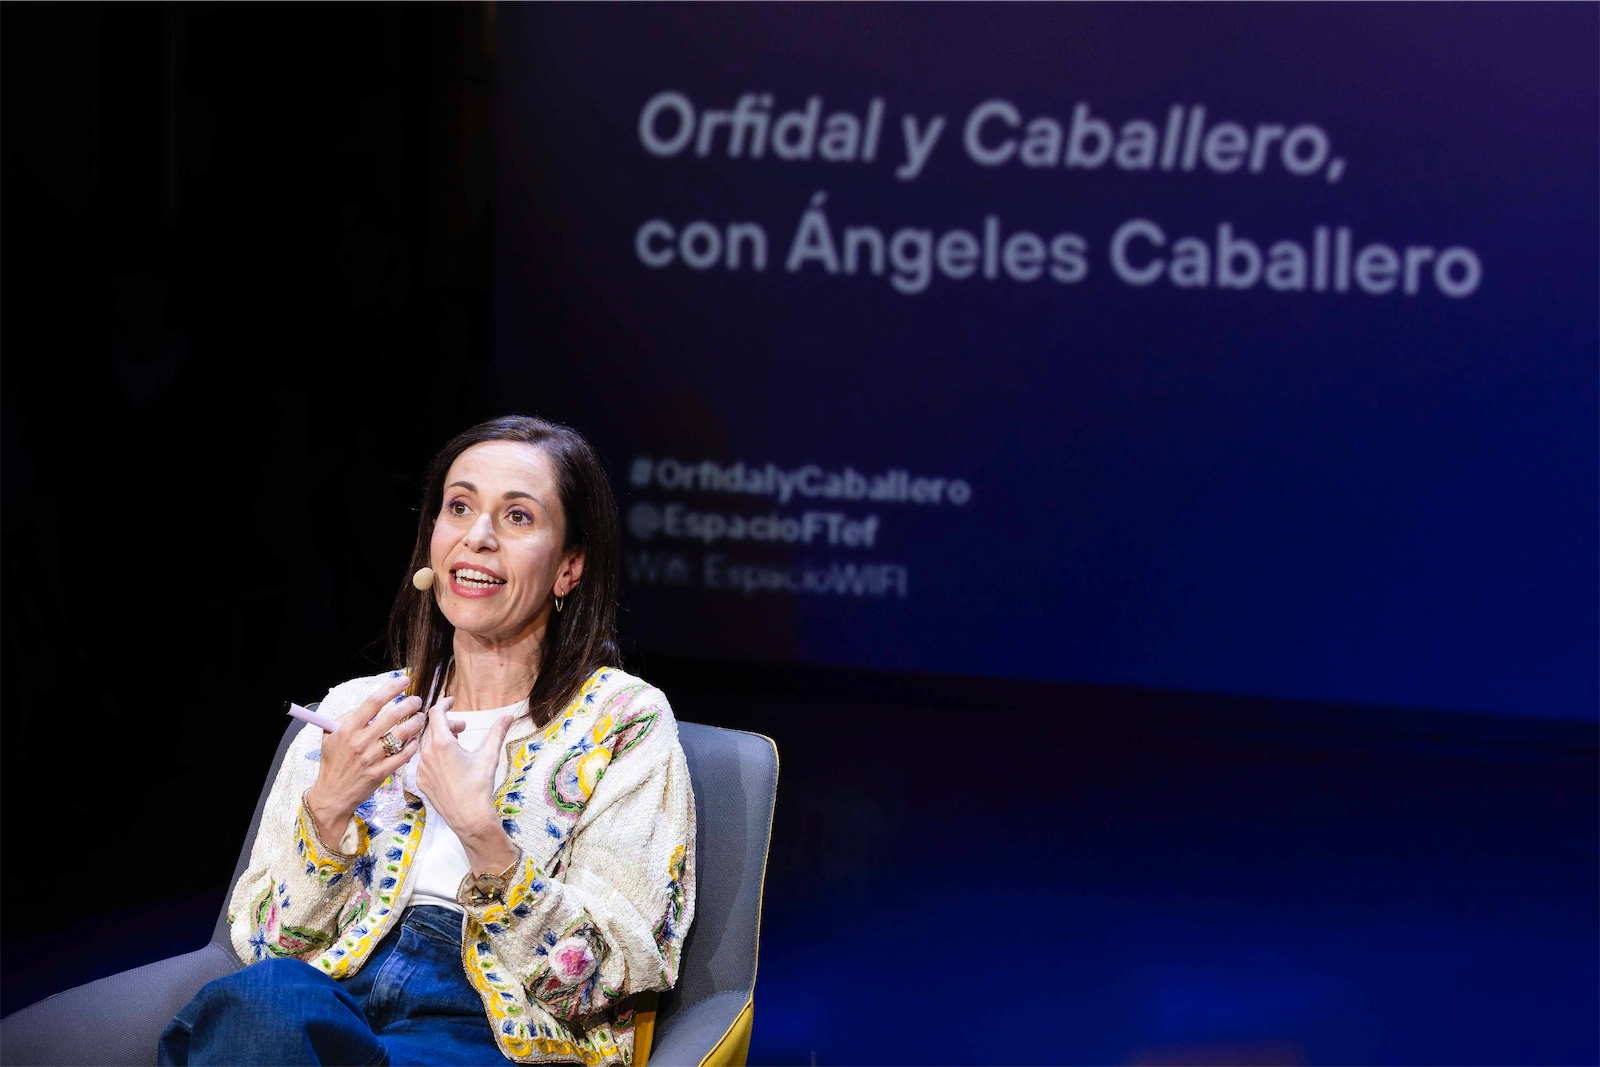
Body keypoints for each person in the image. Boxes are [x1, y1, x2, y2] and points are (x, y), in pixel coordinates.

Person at [159, 416, 696, 1067]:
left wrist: (482, 834)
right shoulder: (357, 709)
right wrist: (328, 808)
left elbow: (610, 976)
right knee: (264, 1003)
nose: (478, 537)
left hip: (497, 1029)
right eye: (459, 506)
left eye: (518, 517)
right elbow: (260, 946)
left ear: (570, 566)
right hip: (335, 995)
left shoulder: (623, 721)